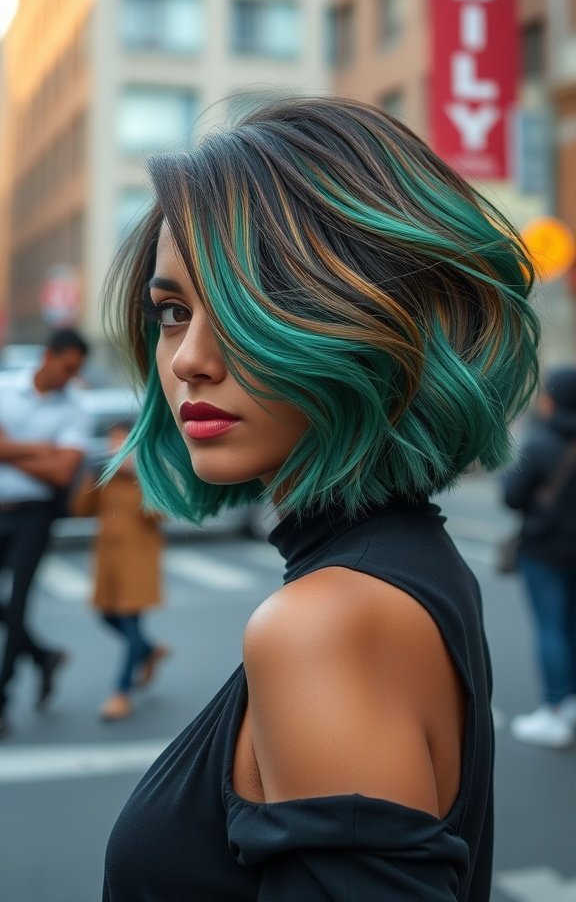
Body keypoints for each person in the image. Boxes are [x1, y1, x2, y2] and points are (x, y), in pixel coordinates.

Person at [101, 97, 539, 901]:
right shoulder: (409, 566)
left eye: (244, 305)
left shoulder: (325, 623)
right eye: (173, 312)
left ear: (376, 318)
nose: (190, 359)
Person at [0, 327, 90, 737]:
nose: (70, 377)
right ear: (48, 357)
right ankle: (43, 656)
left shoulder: (75, 407)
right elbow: (52, 460)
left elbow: (62, 471)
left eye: (77, 371)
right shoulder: (5, 387)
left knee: (18, 606)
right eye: (67, 367)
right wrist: (42, 448)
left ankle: (2, 701)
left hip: (36, 516)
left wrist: (10, 449)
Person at [71, 421, 169, 721]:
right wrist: (92, 475)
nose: (117, 450)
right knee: (106, 616)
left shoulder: (149, 473)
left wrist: (140, 476)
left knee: (130, 624)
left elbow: (160, 514)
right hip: (108, 562)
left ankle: (121, 692)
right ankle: (150, 651)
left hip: (137, 562)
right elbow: (80, 510)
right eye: (113, 443)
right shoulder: (103, 475)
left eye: (123, 443)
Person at [503, 367, 576, 748]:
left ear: (553, 400)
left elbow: (512, 497)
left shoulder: (541, 443)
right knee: (572, 626)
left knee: (551, 628)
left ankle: (554, 710)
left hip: (545, 549)